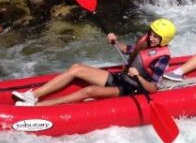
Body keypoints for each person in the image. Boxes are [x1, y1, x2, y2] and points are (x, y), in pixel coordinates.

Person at [12, 19, 176, 107]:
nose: (151, 38)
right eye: (151, 33)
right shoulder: (146, 41)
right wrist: (115, 41)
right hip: (121, 78)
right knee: (77, 68)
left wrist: (138, 76)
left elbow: (153, 88)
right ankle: (32, 96)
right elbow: (127, 49)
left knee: (89, 91)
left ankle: (41, 107)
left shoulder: (162, 57)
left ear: (164, 40)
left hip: (132, 89)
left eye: (156, 36)